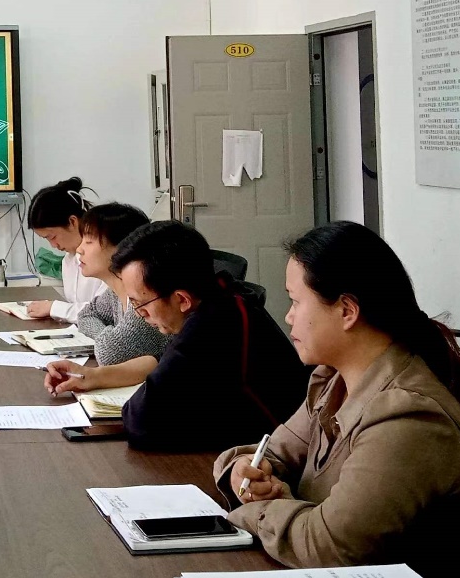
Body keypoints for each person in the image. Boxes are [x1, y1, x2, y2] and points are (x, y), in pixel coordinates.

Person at [212, 221, 460, 570]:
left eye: (296, 301)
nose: (288, 316)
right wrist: (244, 472)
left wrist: (256, 509)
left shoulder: (407, 417)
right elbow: (272, 453)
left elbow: (330, 547)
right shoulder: (333, 380)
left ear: (347, 311)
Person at [44, 221, 309, 450]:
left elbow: (139, 421)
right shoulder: (221, 294)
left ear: (181, 299)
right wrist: (93, 376)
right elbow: (160, 361)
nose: (139, 314)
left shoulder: (210, 325)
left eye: (140, 304)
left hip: (273, 460)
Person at [71, 203, 167, 365]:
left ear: (123, 248)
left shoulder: (145, 300)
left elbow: (109, 354)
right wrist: (109, 335)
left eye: (89, 241)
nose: (79, 249)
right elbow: (86, 315)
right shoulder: (114, 293)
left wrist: (108, 338)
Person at [24, 177, 106, 322]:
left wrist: (54, 308)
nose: (53, 245)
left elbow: (104, 312)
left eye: (52, 237)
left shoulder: (106, 256)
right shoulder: (68, 260)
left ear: (72, 221)